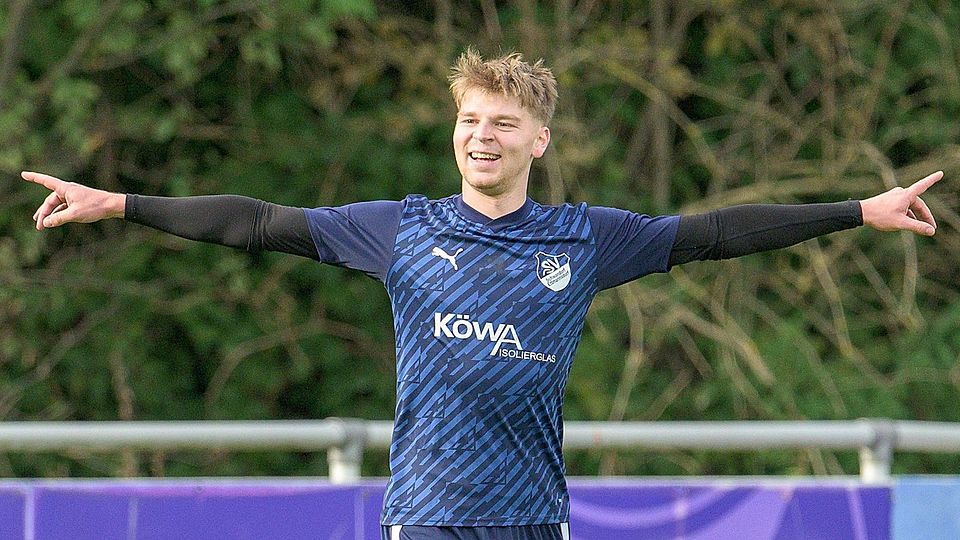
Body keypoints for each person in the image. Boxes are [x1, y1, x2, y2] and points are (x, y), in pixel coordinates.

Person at [22, 49, 941, 540]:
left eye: (503, 123)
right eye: (470, 120)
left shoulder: (584, 238)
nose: (483, 136)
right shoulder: (403, 228)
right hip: (425, 515)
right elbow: (259, 222)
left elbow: (713, 235)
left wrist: (860, 209)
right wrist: (124, 202)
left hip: (534, 518)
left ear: (538, 140)